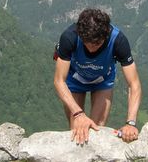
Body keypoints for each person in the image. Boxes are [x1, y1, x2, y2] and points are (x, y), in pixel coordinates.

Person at [53, 8, 142, 144]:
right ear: (80, 35)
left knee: (97, 128)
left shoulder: (118, 40)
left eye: (97, 44)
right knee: (77, 130)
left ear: (105, 35)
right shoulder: (69, 37)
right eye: (87, 43)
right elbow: (59, 81)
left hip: (102, 82)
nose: (91, 49)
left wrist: (131, 122)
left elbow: (134, 84)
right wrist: (78, 114)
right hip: (75, 80)